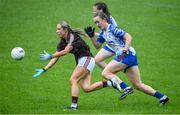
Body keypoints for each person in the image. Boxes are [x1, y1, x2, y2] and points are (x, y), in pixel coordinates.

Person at [33, 21, 123, 110]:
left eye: (58, 29)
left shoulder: (72, 38)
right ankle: (111, 83)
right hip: (85, 61)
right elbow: (56, 56)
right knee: (86, 88)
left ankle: (74, 106)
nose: (57, 31)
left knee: (73, 80)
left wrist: (50, 55)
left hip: (86, 60)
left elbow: (65, 52)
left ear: (65, 30)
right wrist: (44, 69)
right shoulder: (63, 40)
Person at [84, 12, 169, 105]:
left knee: (106, 72)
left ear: (104, 20)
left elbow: (128, 37)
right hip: (128, 56)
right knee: (138, 85)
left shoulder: (113, 29)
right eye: (95, 23)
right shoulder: (103, 33)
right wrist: (92, 36)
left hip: (126, 55)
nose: (97, 24)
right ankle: (162, 97)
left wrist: (124, 50)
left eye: (98, 22)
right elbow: (97, 45)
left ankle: (125, 88)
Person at [85, 2, 134, 99]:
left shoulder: (108, 21)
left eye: (95, 11)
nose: (93, 12)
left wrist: (95, 34)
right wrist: (92, 36)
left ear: (101, 11)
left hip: (116, 45)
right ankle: (112, 75)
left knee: (105, 71)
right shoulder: (101, 22)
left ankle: (112, 75)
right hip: (111, 43)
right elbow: (99, 43)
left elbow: (111, 34)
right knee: (97, 59)